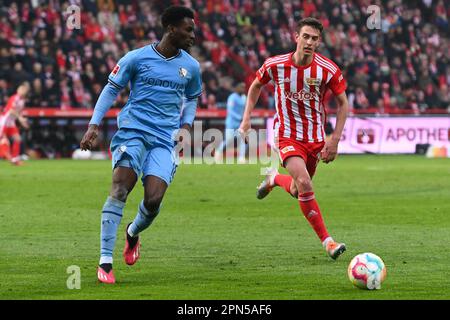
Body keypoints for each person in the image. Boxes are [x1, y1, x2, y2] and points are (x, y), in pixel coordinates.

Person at [80, 6, 202, 284]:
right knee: (120, 187)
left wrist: (185, 126)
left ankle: (133, 233)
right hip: (133, 131)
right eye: (188, 29)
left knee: (153, 199)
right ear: (171, 28)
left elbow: (193, 98)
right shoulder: (136, 58)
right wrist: (93, 125)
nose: (193, 36)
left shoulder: (191, 67)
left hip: (165, 138)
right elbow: (111, 88)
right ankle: (105, 261)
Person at [239, 17, 349, 260]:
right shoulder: (275, 65)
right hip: (287, 134)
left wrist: (335, 139)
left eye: (315, 38)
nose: (309, 42)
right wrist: (246, 119)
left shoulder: (327, 69)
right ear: (296, 37)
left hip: (316, 138)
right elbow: (255, 86)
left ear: (319, 42)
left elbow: (343, 104)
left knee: (298, 190)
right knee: (305, 183)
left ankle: (274, 179)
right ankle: (328, 242)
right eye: (306, 36)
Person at [214, 82, 247, 163]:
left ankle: (241, 158)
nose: (243, 89)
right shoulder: (232, 97)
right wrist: (239, 117)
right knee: (228, 140)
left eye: (244, 87)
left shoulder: (243, 97)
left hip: (240, 123)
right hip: (231, 123)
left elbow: (245, 107)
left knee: (244, 140)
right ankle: (218, 152)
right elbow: (230, 110)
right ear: (237, 88)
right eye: (242, 87)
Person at [0, 82, 30, 165]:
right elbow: (11, 110)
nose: (21, 91)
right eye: (20, 89)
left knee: (18, 139)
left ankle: (15, 159)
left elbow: (18, 113)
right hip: (4, 121)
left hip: (11, 122)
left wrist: (22, 122)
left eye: (23, 89)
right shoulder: (14, 98)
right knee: (3, 141)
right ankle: (10, 158)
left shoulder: (22, 101)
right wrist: (20, 119)